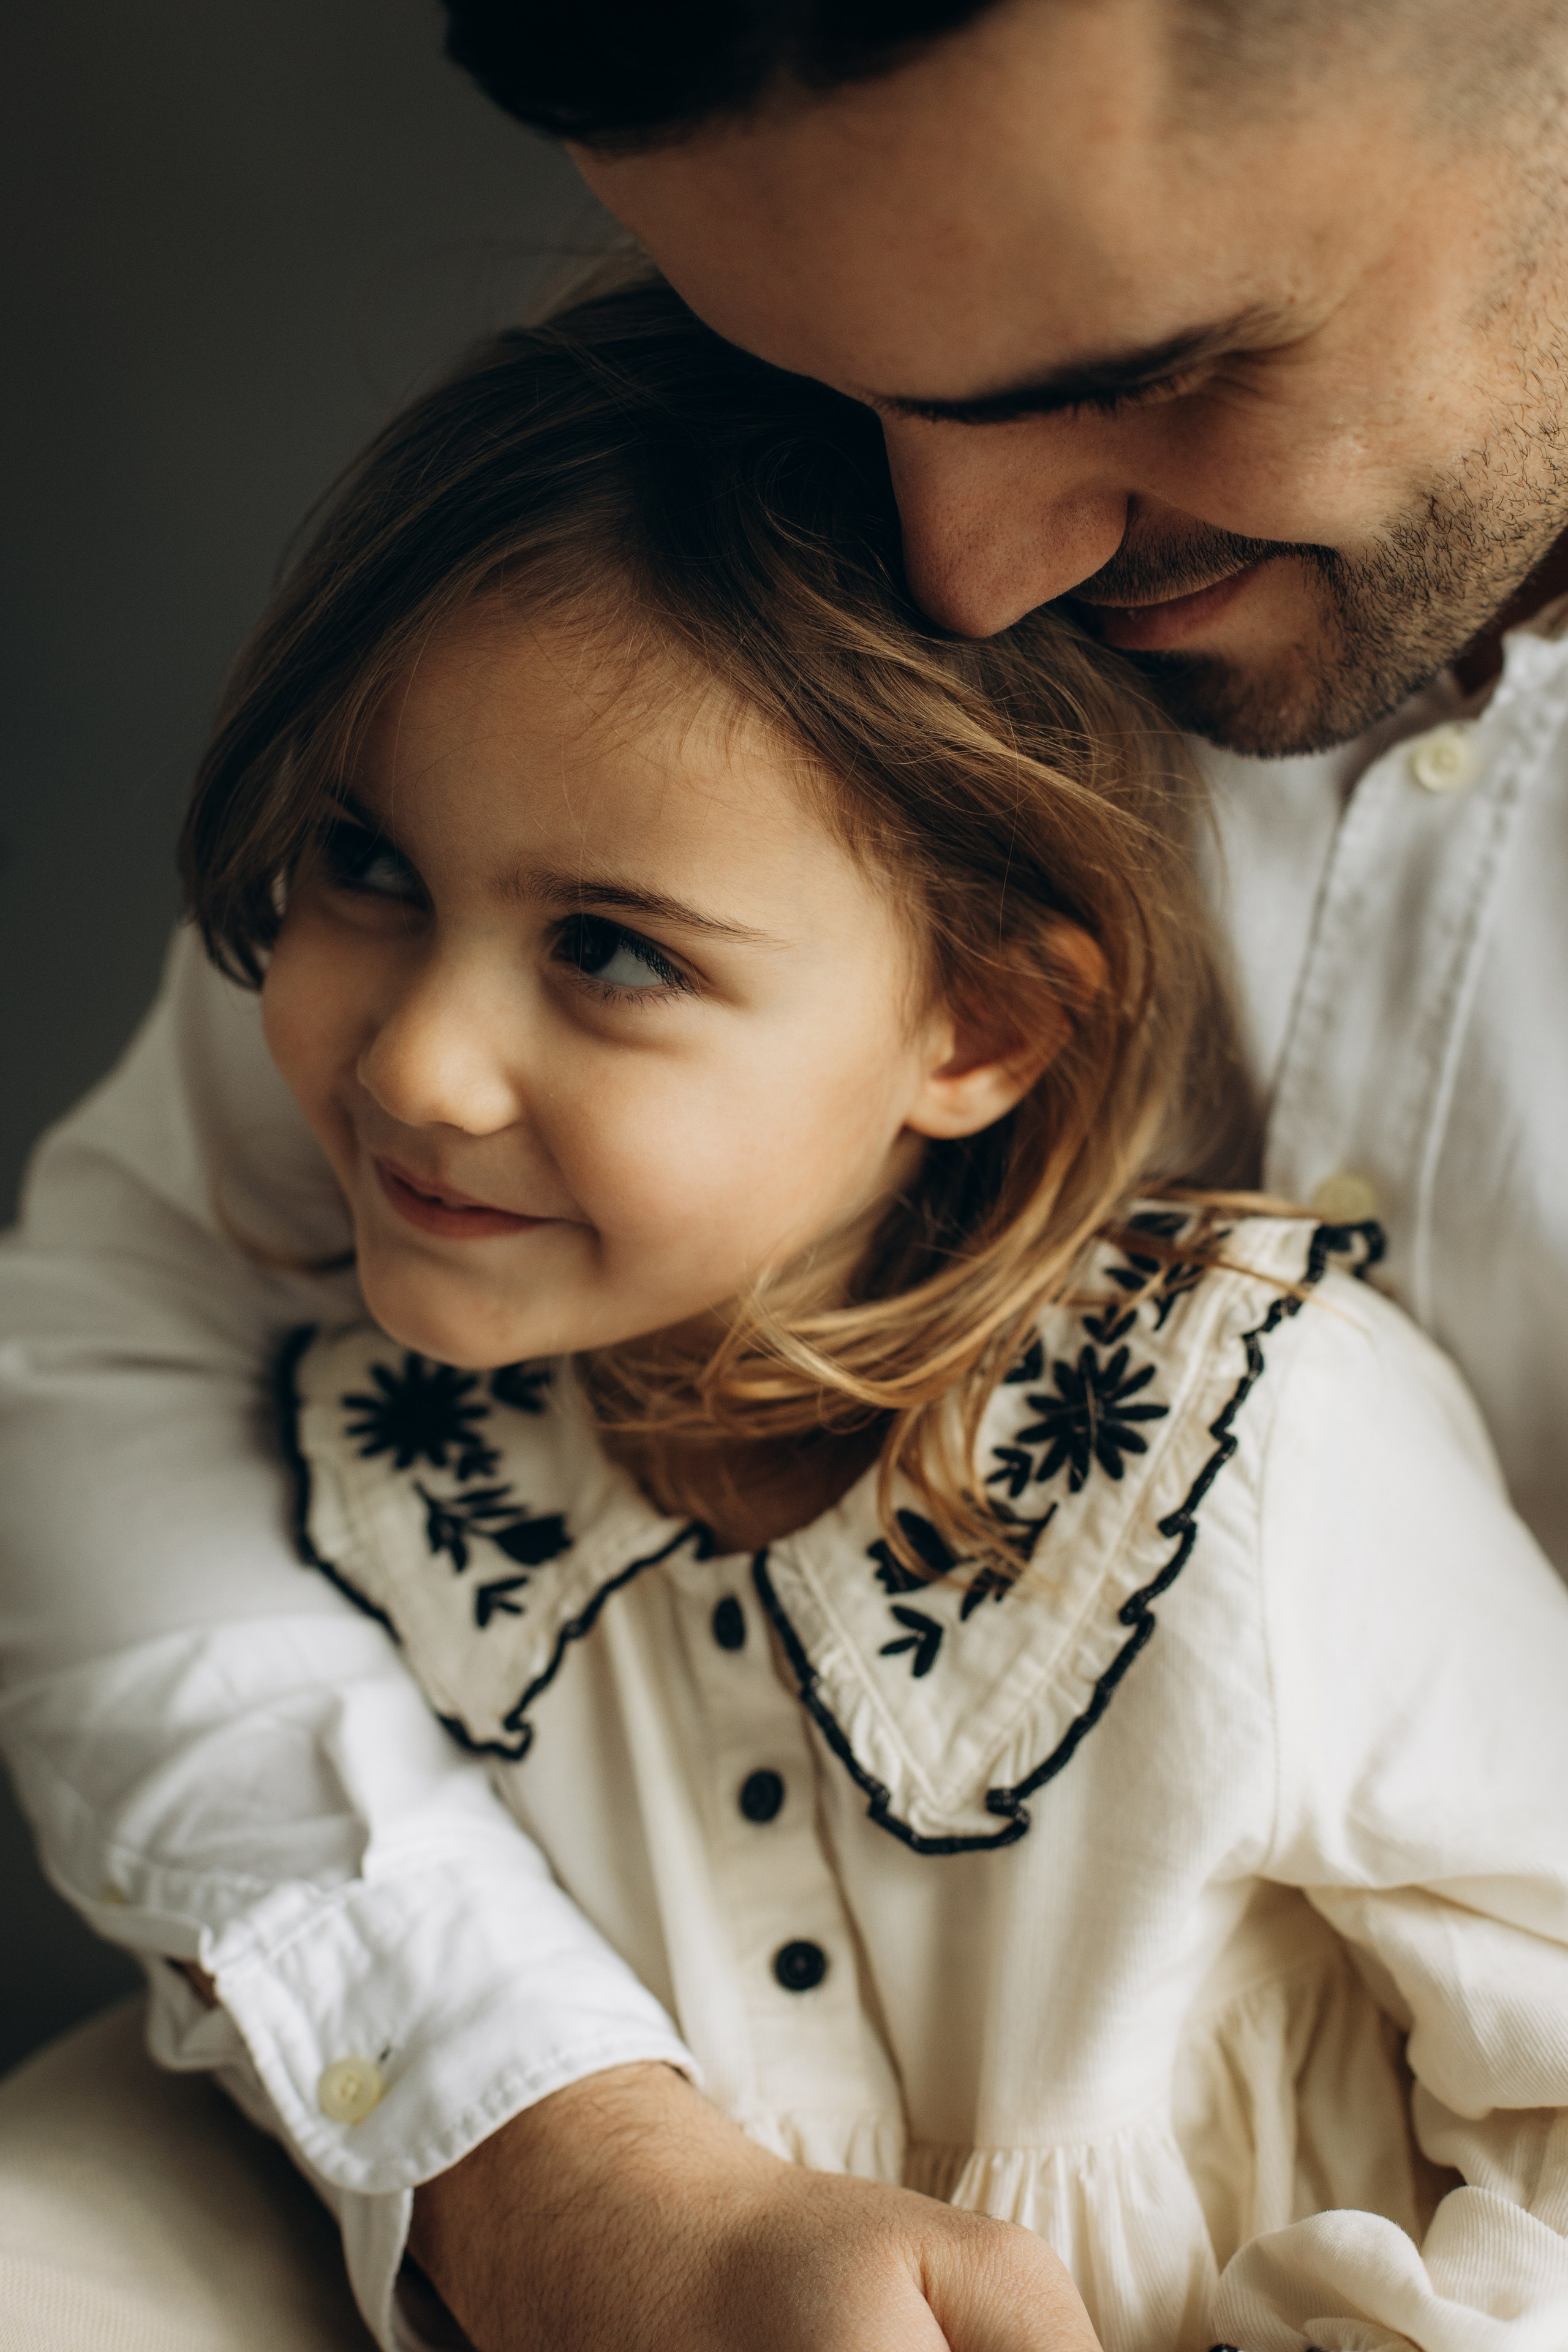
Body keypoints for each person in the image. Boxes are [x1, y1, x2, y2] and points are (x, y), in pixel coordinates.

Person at [5, 0, 1568, 2342]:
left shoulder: (1294, 1445)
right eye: (843, 388)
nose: (956, 565)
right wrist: (547, 2152)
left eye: (1126, 373)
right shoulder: (648, 625)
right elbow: (123, 1340)